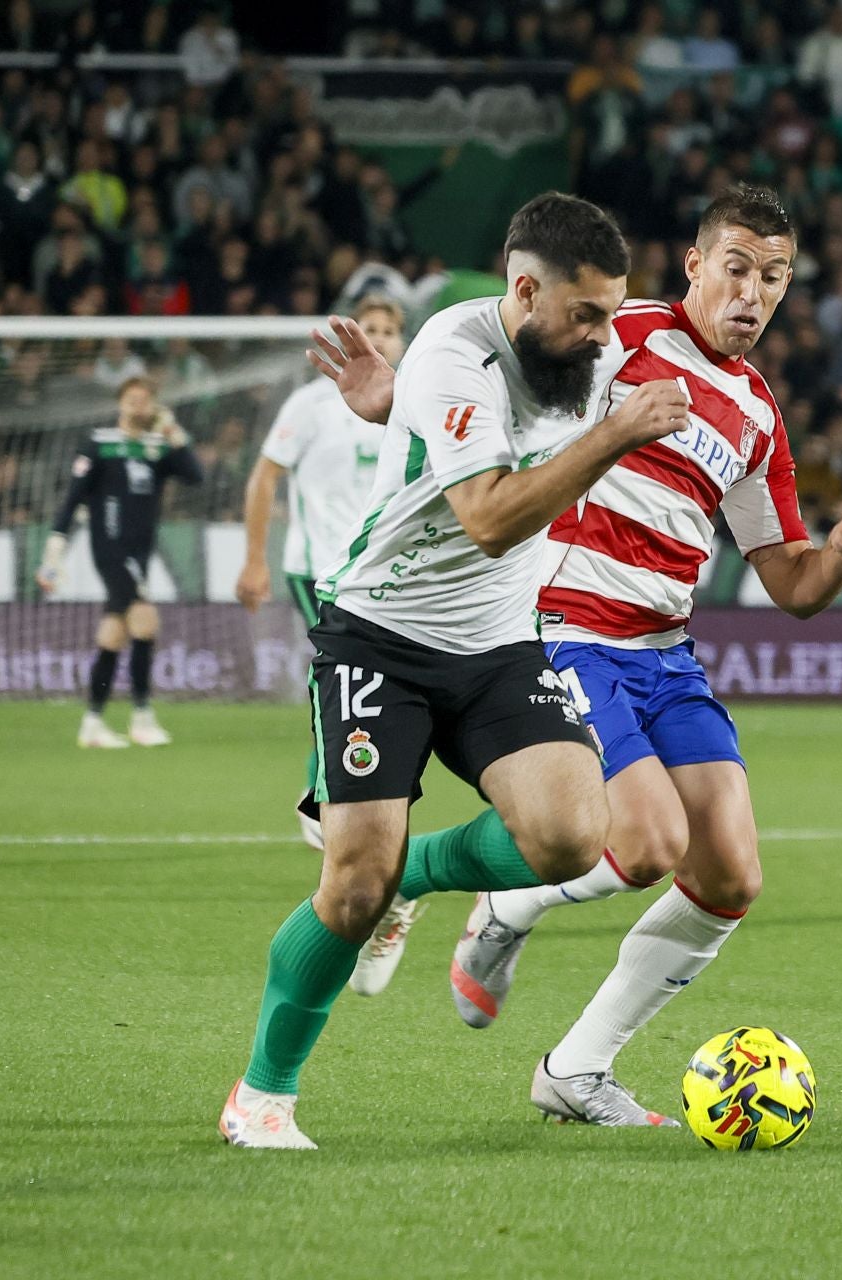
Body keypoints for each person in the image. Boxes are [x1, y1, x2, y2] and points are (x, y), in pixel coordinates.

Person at [316, 186, 842, 1127]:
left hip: (664, 650)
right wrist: (395, 398)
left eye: (776, 277)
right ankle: (426, 880)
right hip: (562, 627)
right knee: (643, 842)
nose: (754, 294)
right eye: (738, 269)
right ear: (696, 266)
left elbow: (791, 586)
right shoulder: (616, 331)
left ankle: (575, 1067)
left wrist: (838, 552)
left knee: (730, 876)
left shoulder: (757, 416)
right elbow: (491, 365)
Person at [216, 192, 694, 1149]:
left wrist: (400, 413)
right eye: (586, 314)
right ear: (524, 291)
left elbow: (500, 433)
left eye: (612, 311)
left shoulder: (573, 358)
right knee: (351, 886)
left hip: (498, 643)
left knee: (570, 836)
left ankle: (420, 876)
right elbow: (486, 519)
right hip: (379, 637)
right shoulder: (450, 349)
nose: (603, 337)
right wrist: (614, 434)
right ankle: (262, 1096)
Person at [236, 295, 406, 849]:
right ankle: (322, 797)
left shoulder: (413, 404)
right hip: (321, 569)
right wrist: (255, 558)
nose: (380, 337)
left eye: (389, 329)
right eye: (370, 327)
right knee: (347, 665)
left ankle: (346, 788)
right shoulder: (311, 403)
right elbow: (264, 477)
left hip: (388, 569)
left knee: (373, 676)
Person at [37, 377, 202, 748]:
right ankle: (142, 717)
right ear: (120, 404)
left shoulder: (156, 448)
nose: (137, 406)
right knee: (146, 622)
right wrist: (53, 556)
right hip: (111, 548)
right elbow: (71, 500)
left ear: (154, 406)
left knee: (114, 632)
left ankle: (93, 722)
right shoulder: (100, 444)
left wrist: (172, 429)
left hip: (140, 554)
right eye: (131, 400)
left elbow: (195, 475)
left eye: (145, 400)